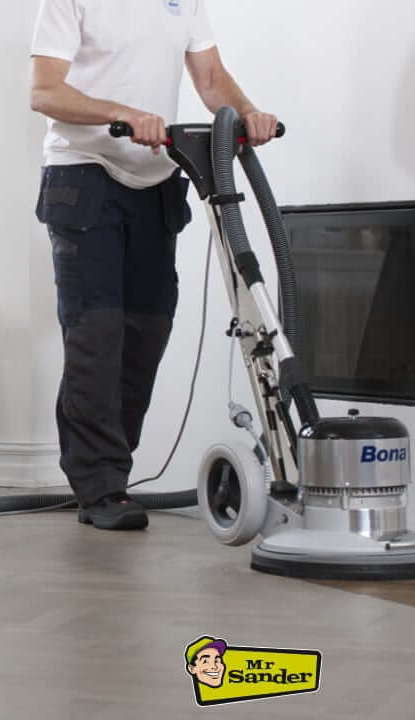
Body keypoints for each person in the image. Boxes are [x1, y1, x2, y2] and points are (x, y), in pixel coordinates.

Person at [30, 0, 278, 530]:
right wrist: (118, 112)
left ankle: (111, 474)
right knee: (96, 336)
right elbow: (45, 91)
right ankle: (100, 487)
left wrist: (247, 114)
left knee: (148, 331)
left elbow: (210, 78)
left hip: (157, 180)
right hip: (84, 176)